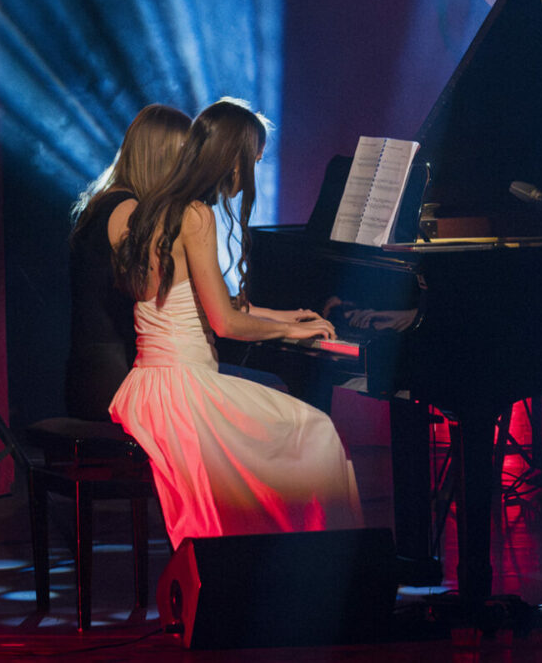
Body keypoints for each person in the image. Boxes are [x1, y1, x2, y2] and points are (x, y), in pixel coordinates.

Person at [108, 98, 362, 545]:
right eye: (254, 161)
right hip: (184, 394)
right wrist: (290, 330)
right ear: (233, 161)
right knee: (316, 430)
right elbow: (224, 324)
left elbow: (190, 302)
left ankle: (290, 555)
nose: (252, 174)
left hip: (147, 389)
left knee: (291, 431)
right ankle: (326, 562)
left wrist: (284, 315)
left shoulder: (149, 209)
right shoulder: (196, 215)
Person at [66, 103, 192, 421]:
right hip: (111, 373)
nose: (189, 169)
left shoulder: (108, 201)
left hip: (94, 364)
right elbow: (149, 291)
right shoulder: (127, 210)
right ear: (161, 156)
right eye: (184, 156)